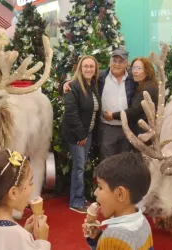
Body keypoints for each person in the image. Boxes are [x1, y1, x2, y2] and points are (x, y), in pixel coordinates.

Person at [61, 49, 137, 161]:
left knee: (124, 162)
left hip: (127, 129)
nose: (117, 64)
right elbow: (79, 81)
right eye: (114, 60)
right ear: (109, 62)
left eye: (121, 61)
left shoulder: (132, 79)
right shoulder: (100, 77)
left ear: (126, 63)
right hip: (107, 128)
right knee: (107, 163)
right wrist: (65, 84)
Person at [83, 152, 153, 250]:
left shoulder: (112, 237)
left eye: (100, 187)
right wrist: (98, 237)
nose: (95, 192)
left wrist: (104, 240)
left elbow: (115, 243)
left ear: (120, 194)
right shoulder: (144, 222)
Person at [60, 55, 101, 213]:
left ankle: (80, 196)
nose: (89, 69)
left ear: (95, 69)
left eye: (92, 66)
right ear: (80, 68)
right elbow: (71, 113)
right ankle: (76, 202)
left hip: (87, 134)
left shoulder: (93, 85)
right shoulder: (74, 86)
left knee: (81, 166)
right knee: (79, 167)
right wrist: (81, 135)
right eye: (86, 66)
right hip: (77, 135)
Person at [110, 57, 159, 138]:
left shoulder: (147, 89)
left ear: (147, 71)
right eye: (133, 68)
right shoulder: (141, 84)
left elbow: (134, 111)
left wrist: (112, 115)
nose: (134, 71)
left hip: (143, 133)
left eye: (139, 68)